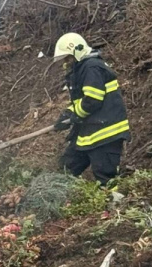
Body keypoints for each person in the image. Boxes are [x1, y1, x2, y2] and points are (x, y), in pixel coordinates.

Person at [53, 33, 131, 186]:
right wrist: (66, 115)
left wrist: (75, 115)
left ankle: (113, 208)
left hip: (106, 134)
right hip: (89, 133)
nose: (66, 63)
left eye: (67, 58)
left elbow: (92, 100)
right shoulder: (82, 70)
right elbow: (80, 100)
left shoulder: (91, 67)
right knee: (65, 169)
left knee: (106, 181)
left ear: (77, 51)